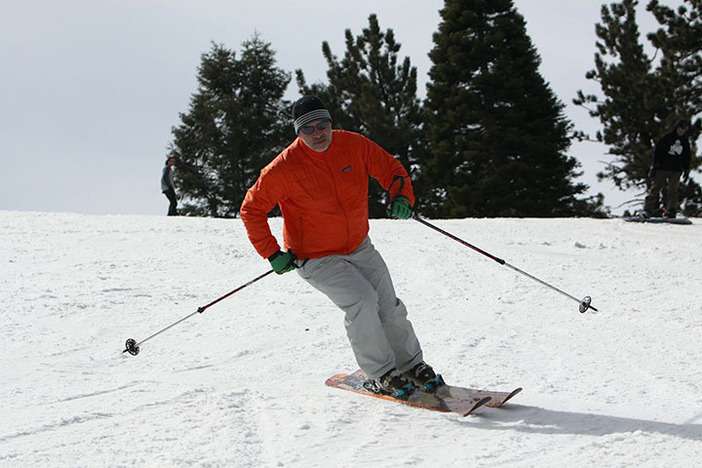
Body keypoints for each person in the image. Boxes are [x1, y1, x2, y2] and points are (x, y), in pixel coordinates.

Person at [240, 96, 439, 398]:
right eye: (309, 129)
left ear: (331, 124)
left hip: (359, 244)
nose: (318, 133)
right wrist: (272, 253)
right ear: (298, 132)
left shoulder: (353, 145)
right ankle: (382, 373)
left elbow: (392, 170)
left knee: (388, 304)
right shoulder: (283, 168)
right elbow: (252, 209)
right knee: (361, 300)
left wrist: (401, 197)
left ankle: (411, 364)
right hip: (314, 256)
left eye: (323, 125)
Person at [642, 119, 691, 218]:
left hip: (676, 170)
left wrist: (686, 170)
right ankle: (647, 210)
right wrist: (654, 167)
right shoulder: (666, 138)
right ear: (677, 127)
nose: (683, 130)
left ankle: (671, 210)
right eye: (682, 128)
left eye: (685, 129)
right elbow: (657, 153)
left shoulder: (685, 141)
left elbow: (687, 156)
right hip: (662, 168)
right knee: (655, 189)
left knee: (673, 190)